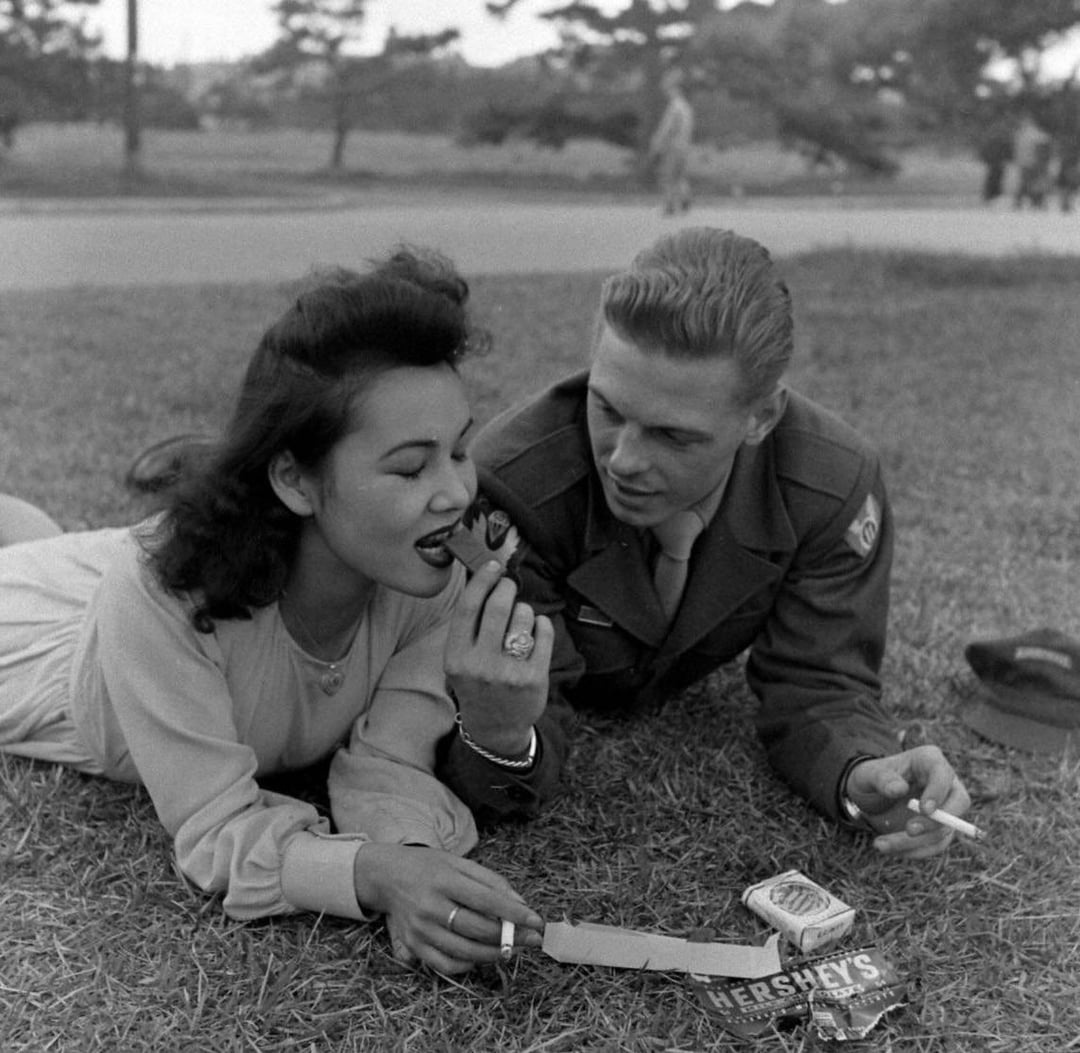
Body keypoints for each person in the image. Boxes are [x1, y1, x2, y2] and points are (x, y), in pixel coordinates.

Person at [0, 248, 550, 974]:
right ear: (293, 476)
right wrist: (373, 875)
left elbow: (390, 759)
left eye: (458, 450)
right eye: (412, 466)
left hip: (151, 566)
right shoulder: (161, 598)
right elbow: (216, 829)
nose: (454, 492)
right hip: (62, 644)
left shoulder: (426, 575)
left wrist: (415, 863)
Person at [436, 226, 972, 861]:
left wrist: (861, 776)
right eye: (606, 409)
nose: (624, 461)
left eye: (674, 436)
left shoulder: (830, 487)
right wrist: (502, 739)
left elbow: (820, 681)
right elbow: (524, 698)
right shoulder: (510, 487)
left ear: (762, 417)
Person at [647, 68, 694, 216]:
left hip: (673, 146)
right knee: (680, 176)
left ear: (674, 89)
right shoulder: (687, 107)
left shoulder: (675, 106)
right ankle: (685, 200)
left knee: (667, 176)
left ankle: (668, 206)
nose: (666, 92)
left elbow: (667, 128)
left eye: (668, 89)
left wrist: (656, 142)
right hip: (684, 146)